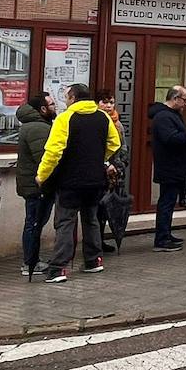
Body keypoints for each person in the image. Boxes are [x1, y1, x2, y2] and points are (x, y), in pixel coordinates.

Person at [37, 83, 121, 283]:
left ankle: (58, 268)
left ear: (73, 98)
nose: (65, 101)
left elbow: (54, 151)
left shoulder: (65, 118)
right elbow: (114, 143)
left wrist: (42, 175)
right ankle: (94, 260)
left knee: (65, 222)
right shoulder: (102, 117)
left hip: (70, 180)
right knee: (91, 219)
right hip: (95, 179)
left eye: (66, 97)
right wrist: (99, 158)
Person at [147, 85, 186, 251]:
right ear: (175, 99)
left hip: (175, 166)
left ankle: (166, 234)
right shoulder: (163, 117)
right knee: (166, 203)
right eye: (184, 100)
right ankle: (161, 239)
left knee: (169, 202)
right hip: (169, 167)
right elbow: (170, 139)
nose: (185, 104)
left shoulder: (172, 115)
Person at [15, 91, 57, 277]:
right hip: (37, 184)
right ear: (42, 109)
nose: (55, 107)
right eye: (52, 104)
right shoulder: (38, 128)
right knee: (34, 223)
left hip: (34, 183)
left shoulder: (39, 125)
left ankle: (32, 260)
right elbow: (45, 158)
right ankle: (30, 262)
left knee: (34, 222)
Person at [95, 90, 130, 252]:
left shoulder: (118, 124)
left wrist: (121, 163)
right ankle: (95, 242)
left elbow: (122, 146)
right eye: (104, 102)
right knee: (97, 207)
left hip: (115, 170)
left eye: (111, 102)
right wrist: (105, 164)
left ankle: (101, 239)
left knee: (107, 208)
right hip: (99, 170)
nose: (108, 106)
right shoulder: (96, 121)